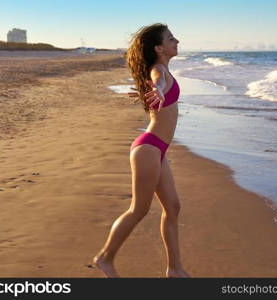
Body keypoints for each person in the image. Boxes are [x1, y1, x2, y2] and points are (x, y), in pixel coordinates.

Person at [92, 23, 190, 278]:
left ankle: (175, 269)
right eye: (171, 38)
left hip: (158, 150)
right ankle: (105, 257)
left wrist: (154, 91)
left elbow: (157, 84)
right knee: (139, 209)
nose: (176, 41)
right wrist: (155, 89)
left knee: (173, 207)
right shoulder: (159, 70)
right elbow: (157, 81)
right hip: (148, 148)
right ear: (159, 48)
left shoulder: (163, 69)